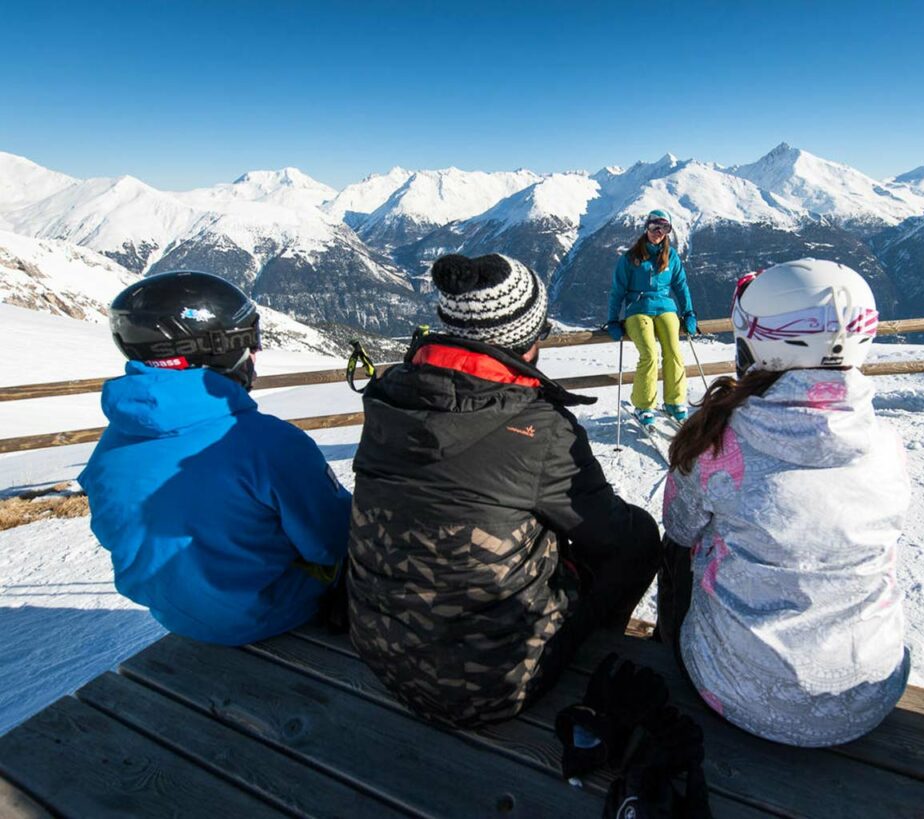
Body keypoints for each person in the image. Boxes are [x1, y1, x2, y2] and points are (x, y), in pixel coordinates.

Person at [347, 253, 661, 728]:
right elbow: (612, 536)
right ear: (525, 341)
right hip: (489, 686)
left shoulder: (390, 394)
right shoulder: (539, 428)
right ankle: (603, 641)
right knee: (638, 536)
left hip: (378, 648)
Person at [658, 258, 912, 747]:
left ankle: (668, 644)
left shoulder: (718, 445)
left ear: (754, 346)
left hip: (735, 691)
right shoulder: (887, 444)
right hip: (867, 698)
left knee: (680, 553)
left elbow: (679, 526)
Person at [79, 270, 352, 646]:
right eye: (249, 340)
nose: (256, 352)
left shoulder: (114, 443)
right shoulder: (269, 443)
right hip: (271, 609)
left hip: (174, 614)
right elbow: (332, 539)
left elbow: (115, 531)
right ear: (217, 348)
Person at [607, 209, 698, 426]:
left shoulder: (671, 256)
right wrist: (613, 319)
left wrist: (689, 313)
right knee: (648, 354)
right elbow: (617, 290)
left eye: (664, 228)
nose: (658, 232)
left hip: (665, 307)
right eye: (654, 227)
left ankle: (674, 401)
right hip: (638, 309)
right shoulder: (631, 258)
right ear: (646, 228)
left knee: (673, 351)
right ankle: (644, 405)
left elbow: (680, 285)